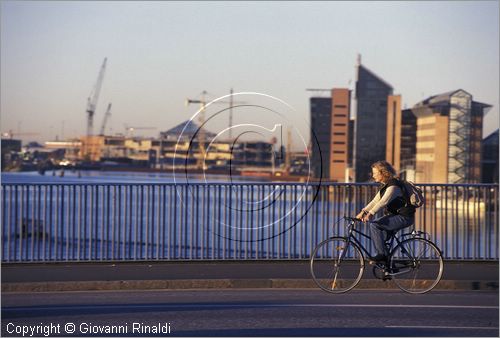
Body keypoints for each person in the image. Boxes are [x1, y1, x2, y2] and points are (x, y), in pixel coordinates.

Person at [355, 160, 415, 263]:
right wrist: (363, 211)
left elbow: (383, 201)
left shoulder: (393, 186)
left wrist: (370, 214)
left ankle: (382, 255)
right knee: (381, 239)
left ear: (383, 173)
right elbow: (375, 201)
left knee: (374, 225)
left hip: (404, 217)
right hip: (397, 216)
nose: (373, 176)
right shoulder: (385, 185)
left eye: (375, 173)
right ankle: (388, 267)